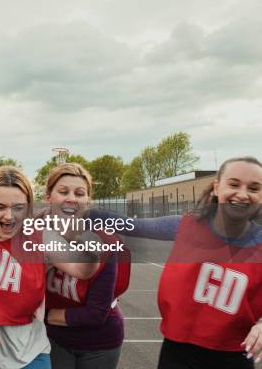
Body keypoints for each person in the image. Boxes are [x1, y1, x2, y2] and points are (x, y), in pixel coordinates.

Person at [93, 157, 262, 369]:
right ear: (217, 188)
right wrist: (84, 212)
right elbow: (130, 224)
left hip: (234, 357)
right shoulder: (185, 225)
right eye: (234, 184)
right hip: (178, 353)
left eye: (254, 188)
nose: (243, 193)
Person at [0, 166, 100, 369]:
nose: (9, 216)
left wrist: (88, 243)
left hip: (31, 354)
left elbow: (82, 269)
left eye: (18, 208)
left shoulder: (39, 236)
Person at [43, 163, 130, 369]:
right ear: (48, 197)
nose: (71, 198)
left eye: (79, 193)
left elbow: (95, 314)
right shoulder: (34, 234)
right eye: (63, 191)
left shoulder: (105, 241)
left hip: (99, 342)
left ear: (87, 201)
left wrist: (43, 315)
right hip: (54, 339)